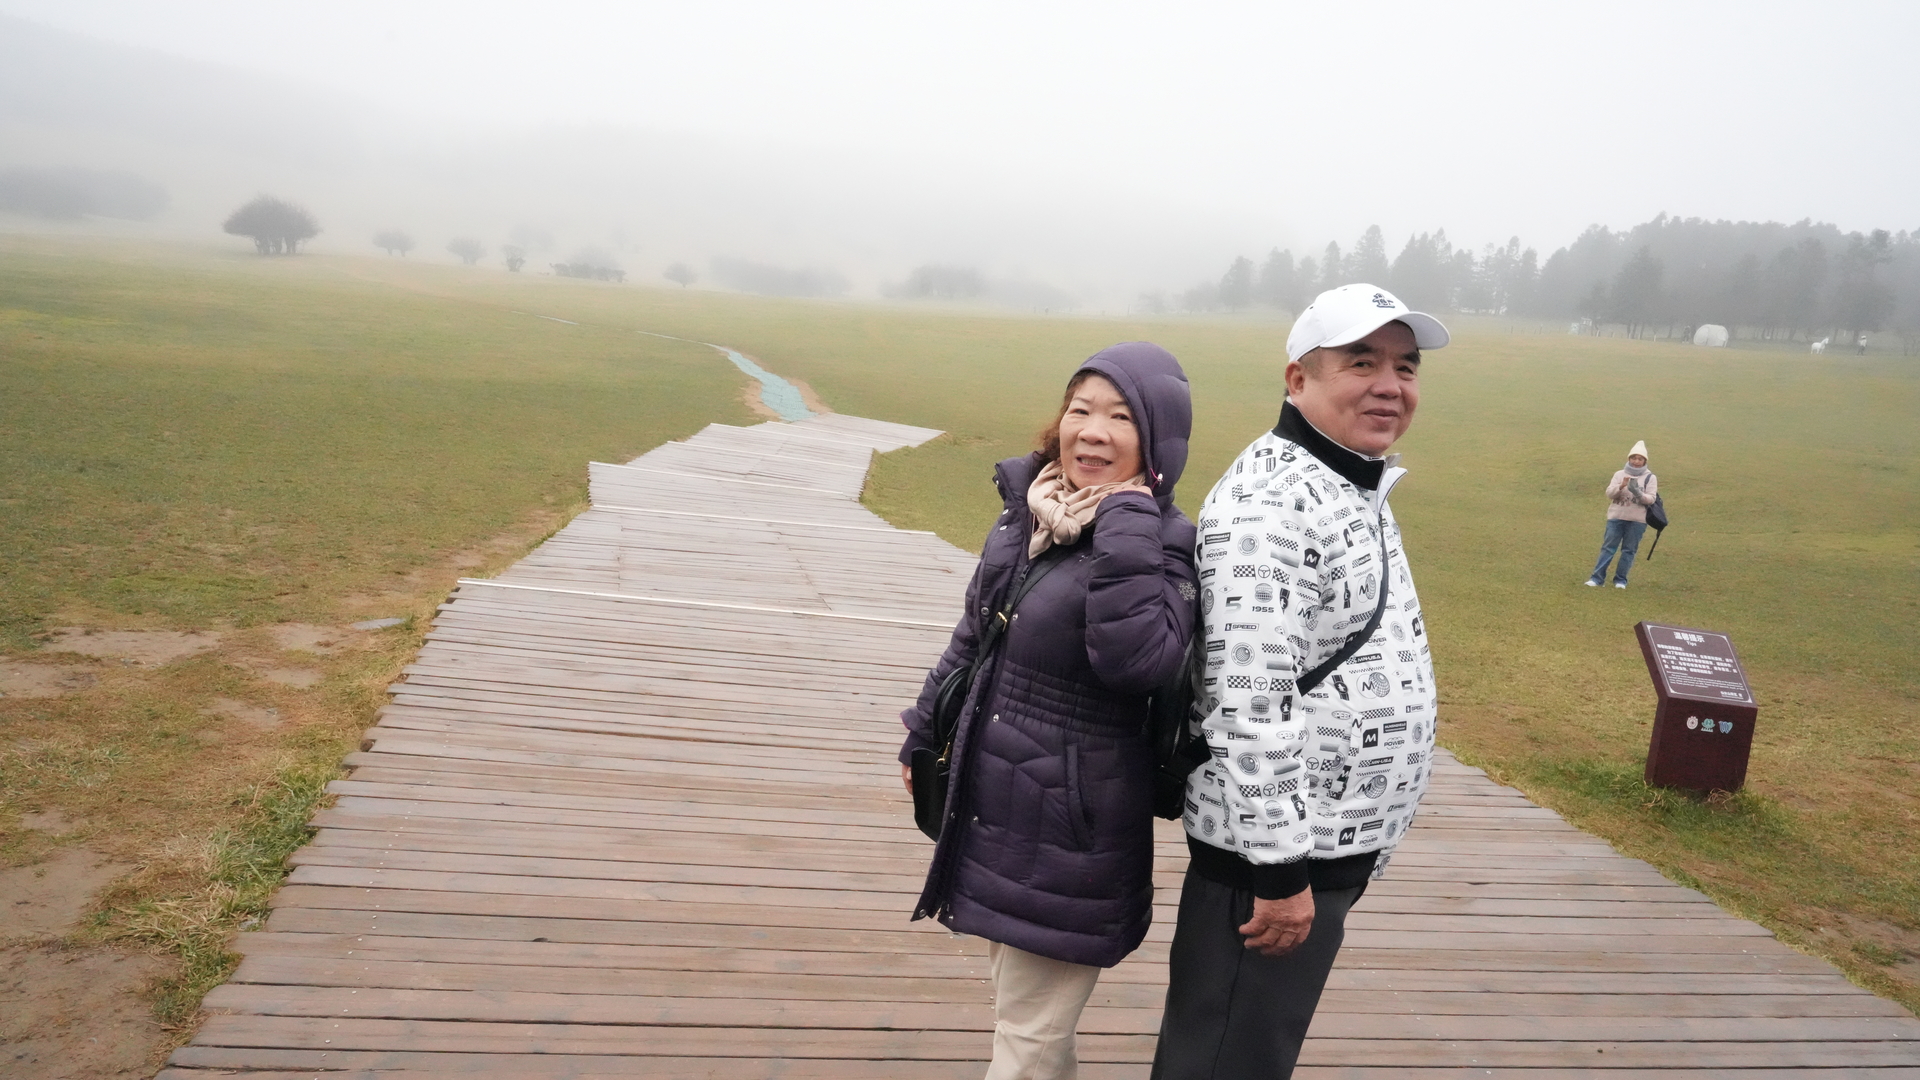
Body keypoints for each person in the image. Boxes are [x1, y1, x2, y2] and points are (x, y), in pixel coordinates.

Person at [1151, 284, 1446, 1080]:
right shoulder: (1271, 504)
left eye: (1406, 367)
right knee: (1225, 1058)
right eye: (1362, 362)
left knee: (1251, 1053)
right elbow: (1249, 702)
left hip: (1323, 846)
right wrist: (1280, 875)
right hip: (1273, 866)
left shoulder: (1346, 479)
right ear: (1297, 379)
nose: (1390, 385)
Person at [899, 342, 1199, 1080]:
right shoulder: (1031, 513)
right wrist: (923, 732)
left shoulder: (1164, 545)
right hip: (997, 809)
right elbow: (974, 636)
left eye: (1121, 417)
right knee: (1030, 1030)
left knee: (1027, 1039)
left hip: (1074, 832)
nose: (1092, 431)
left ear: (1158, 442)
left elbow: (1137, 663)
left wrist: (1127, 517)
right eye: (1080, 409)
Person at [1585, 441, 1658, 589]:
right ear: (1629, 458)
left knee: (1629, 550)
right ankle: (1597, 579)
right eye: (1634, 458)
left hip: (1637, 520)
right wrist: (1621, 486)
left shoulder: (1650, 478)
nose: (1636, 461)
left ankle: (1620, 580)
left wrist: (1638, 492)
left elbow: (1651, 499)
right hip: (1616, 517)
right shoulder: (1619, 474)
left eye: (1640, 459)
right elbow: (1609, 494)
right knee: (1608, 548)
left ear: (1644, 461)